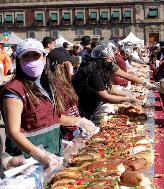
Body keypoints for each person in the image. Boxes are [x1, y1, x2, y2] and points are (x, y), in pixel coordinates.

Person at [0, 38, 62, 172]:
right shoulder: (14, 90)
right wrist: (39, 154)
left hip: (53, 153)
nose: (32, 60)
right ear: (19, 61)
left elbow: (52, 117)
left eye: (35, 55)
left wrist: (79, 121)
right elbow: (12, 131)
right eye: (26, 57)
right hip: (27, 161)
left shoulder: (47, 85)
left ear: (44, 59)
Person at [72, 44, 155, 120]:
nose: (112, 61)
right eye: (111, 59)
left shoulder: (103, 64)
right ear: (105, 59)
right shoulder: (94, 71)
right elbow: (105, 97)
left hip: (94, 103)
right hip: (86, 107)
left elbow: (110, 88)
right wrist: (128, 99)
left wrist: (130, 94)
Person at [47, 47, 98, 141]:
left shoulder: (64, 82)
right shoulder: (55, 86)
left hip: (75, 131)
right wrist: (79, 121)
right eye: (71, 64)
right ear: (63, 65)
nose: (73, 66)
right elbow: (55, 117)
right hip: (66, 135)